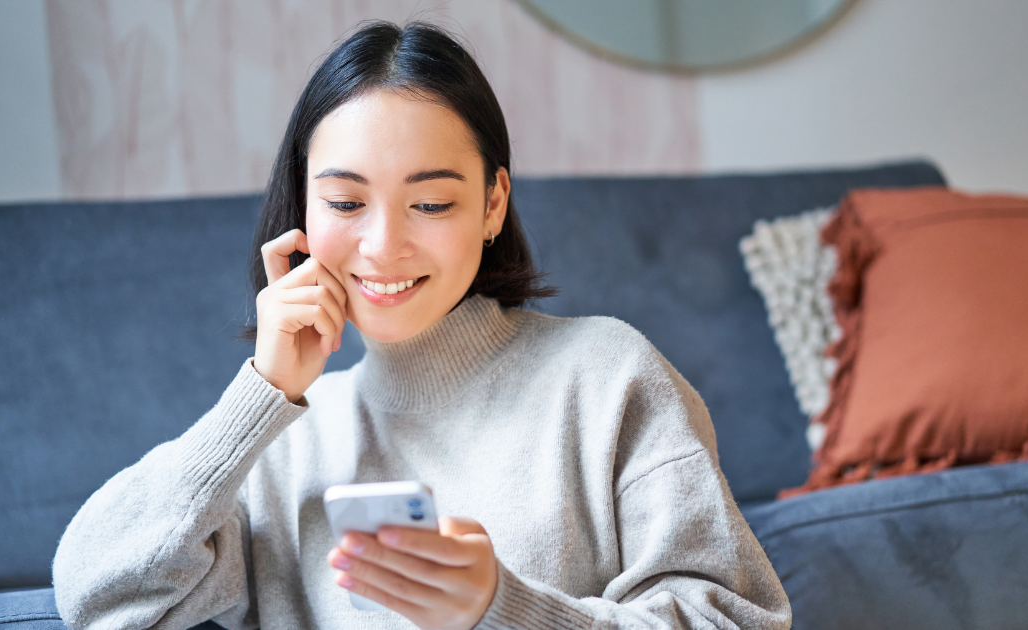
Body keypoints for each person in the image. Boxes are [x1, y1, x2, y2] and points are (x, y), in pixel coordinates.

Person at [52, 21, 791, 630]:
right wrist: (260, 395)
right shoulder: (284, 442)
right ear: (304, 210)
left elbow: (737, 619)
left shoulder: (607, 377)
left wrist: (503, 609)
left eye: (431, 204)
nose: (382, 246)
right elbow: (95, 598)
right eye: (345, 204)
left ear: (493, 204)